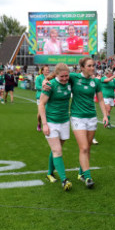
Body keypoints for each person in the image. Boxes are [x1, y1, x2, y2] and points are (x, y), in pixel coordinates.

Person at [67, 57, 109, 188]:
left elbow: (101, 100)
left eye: (93, 65)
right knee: (84, 147)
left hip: (91, 117)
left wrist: (105, 115)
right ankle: (88, 177)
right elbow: (58, 76)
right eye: (89, 66)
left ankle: (81, 173)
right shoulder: (73, 77)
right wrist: (47, 81)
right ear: (82, 67)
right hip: (77, 116)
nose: (92, 68)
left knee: (88, 147)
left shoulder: (96, 82)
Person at [38, 63, 73, 191]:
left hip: (64, 121)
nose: (65, 78)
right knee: (57, 151)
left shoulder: (70, 82)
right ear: (57, 75)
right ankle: (64, 180)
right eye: (62, 76)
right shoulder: (50, 85)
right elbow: (41, 104)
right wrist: (45, 124)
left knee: (55, 150)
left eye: (67, 76)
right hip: (51, 122)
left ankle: (49, 173)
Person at [35, 66, 50, 130]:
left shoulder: (50, 77)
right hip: (40, 97)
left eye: (48, 70)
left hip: (48, 96)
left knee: (47, 112)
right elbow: (37, 86)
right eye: (46, 70)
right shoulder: (39, 78)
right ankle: (39, 123)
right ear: (42, 71)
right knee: (40, 114)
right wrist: (43, 88)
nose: (47, 71)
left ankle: (47, 125)